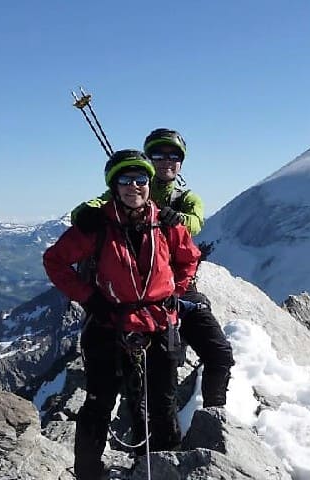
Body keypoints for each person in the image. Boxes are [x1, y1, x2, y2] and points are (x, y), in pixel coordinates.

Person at [45, 149, 201, 479]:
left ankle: (159, 467)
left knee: (163, 403)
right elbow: (55, 261)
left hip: (158, 324)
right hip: (110, 324)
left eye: (141, 179)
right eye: (125, 180)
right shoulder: (98, 225)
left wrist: (177, 291)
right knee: (100, 403)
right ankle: (88, 472)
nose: (134, 186)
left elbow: (189, 258)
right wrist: (89, 297)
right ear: (114, 186)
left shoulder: (166, 223)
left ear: (149, 182)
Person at [72, 128, 235, 408]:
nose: (166, 160)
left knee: (219, 354)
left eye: (173, 155)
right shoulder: (124, 194)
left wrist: (171, 218)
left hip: (176, 291)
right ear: (149, 159)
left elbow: (195, 222)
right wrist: (87, 212)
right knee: (151, 379)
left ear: (181, 162)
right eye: (158, 154)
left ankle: (212, 418)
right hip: (133, 296)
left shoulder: (185, 200)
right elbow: (88, 209)